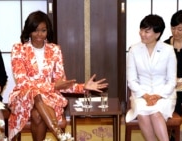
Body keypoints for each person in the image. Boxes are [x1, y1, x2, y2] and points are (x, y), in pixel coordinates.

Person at [8, 10, 108, 141]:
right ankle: (61, 137)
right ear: (29, 31)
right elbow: (22, 82)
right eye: (35, 30)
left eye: (43, 30)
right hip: (23, 97)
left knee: (37, 115)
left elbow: (61, 84)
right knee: (36, 94)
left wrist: (84, 87)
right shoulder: (18, 49)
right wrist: (53, 85)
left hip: (47, 100)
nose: (39, 34)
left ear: (47, 31)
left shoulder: (55, 50)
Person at [125, 14, 177, 141]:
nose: (142, 34)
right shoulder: (134, 50)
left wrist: (158, 96)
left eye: (147, 31)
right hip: (141, 94)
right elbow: (131, 80)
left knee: (155, 113)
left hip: (164, 94)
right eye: (141, 30)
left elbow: (171, 81)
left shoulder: (168, 50)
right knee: (142, 113)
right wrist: (146, 96)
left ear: (157, 34)